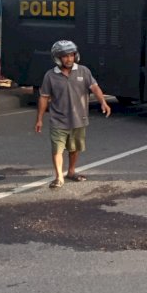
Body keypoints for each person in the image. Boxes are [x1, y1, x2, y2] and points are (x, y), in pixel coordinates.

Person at [35, 40, 111, 189]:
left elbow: (94, 87)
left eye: (71, 55)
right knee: (57, 149)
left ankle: (71, 171)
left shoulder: (83, 71)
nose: (69, 59)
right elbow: (44, 97)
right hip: (58, 119)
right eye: (65, 56)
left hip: (79, 118)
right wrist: (39, 119)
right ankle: (59, 177)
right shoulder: (50, 76)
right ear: (57, 58)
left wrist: (103, 101)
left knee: (74, 148)